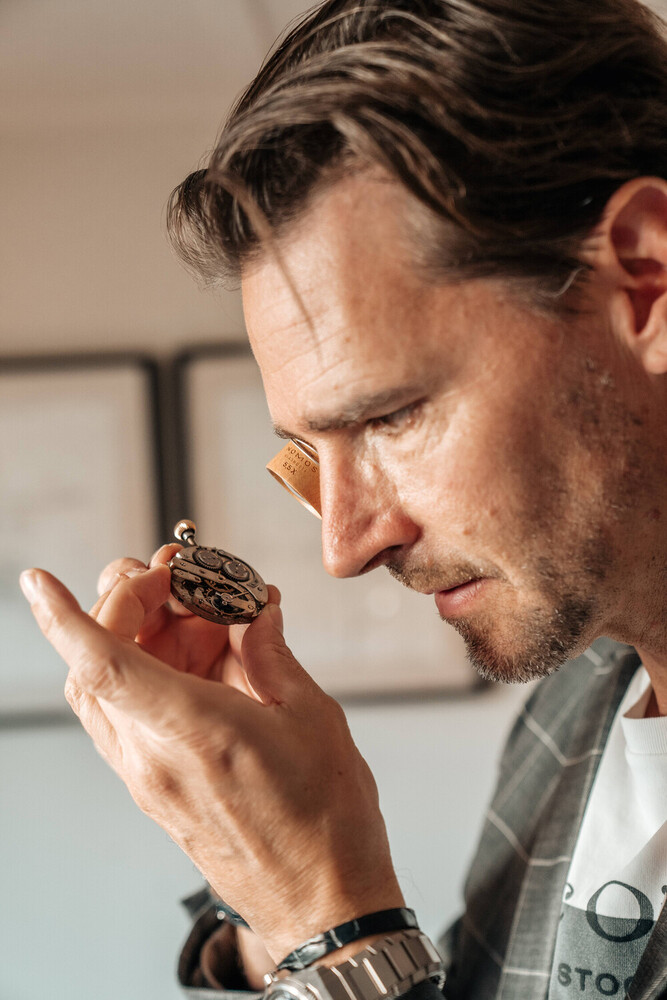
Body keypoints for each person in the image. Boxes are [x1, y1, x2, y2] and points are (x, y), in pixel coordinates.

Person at [19, 0, 667, 997]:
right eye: (310, 448)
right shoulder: (569, 714)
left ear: (645, 280)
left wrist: (326, 916)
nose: (346, 546)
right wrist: (262, 878)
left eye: (393, 413)